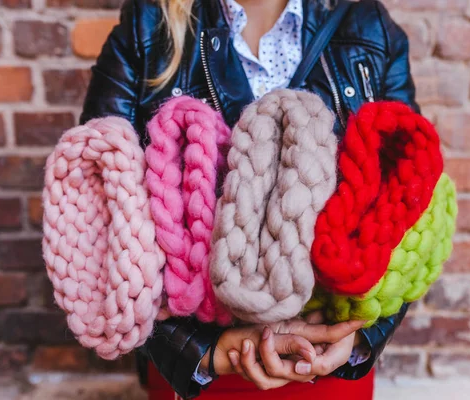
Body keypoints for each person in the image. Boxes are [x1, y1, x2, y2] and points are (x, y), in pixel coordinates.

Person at [79, 0, 418, 399]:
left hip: (326, 363)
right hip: (204, 371)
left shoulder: (369, 28)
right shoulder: (150, 25)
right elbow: (96, 208)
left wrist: (359, 336)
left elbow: (410, 196)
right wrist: (202, 352)